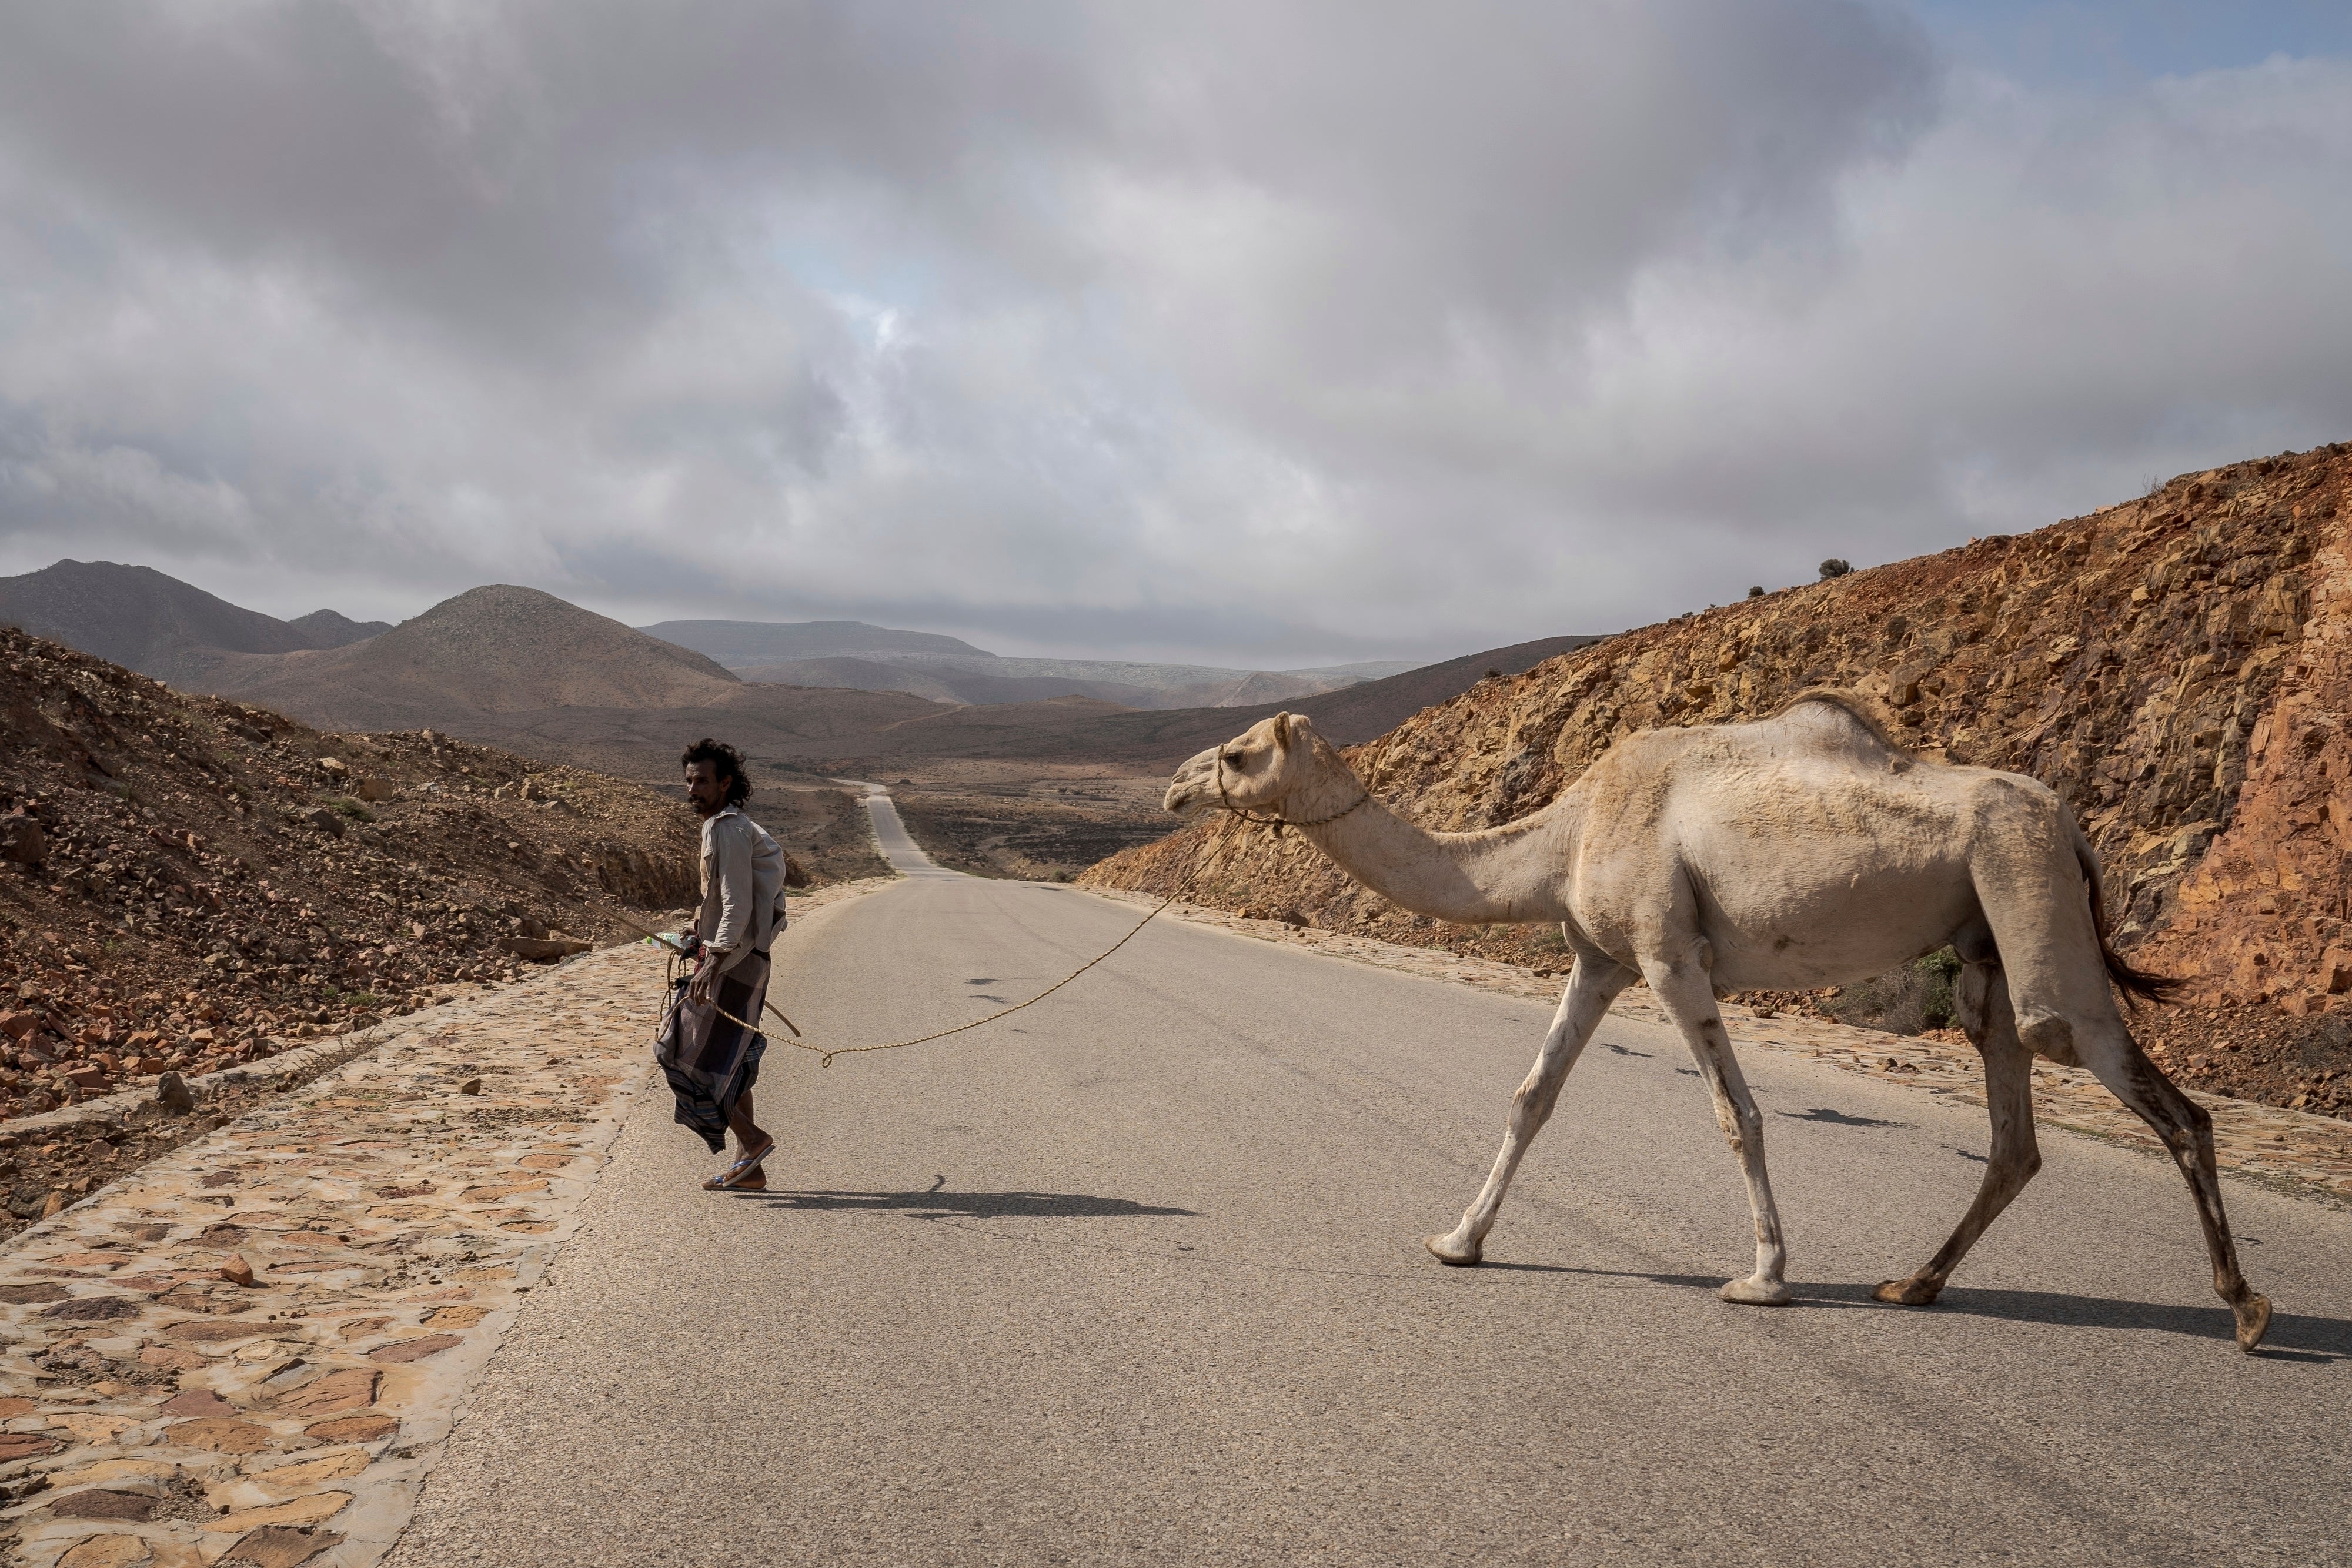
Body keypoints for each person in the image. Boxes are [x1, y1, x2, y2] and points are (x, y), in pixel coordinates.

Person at [662, 737, 788, 1191]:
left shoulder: (728, 827)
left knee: (683, 1053)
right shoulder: (722, 826)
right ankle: (751, 1170)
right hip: (737, 956)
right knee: (730, 1059)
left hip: (732, 962)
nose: (693, 788)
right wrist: (696, 933)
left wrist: (712, 962)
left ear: (726, 783)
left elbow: (736, 904)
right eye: (689, 780)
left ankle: (753, 1141)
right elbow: (722, 900)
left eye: (702, 781)